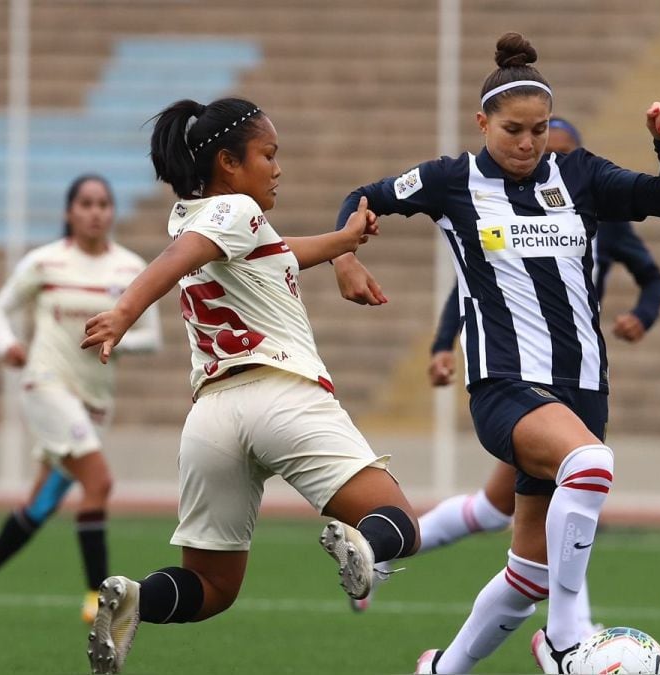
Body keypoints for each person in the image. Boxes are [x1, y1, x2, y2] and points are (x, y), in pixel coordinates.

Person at [331, 33, 660, 674]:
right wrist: (345, 258)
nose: (528, 143)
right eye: (513, 129)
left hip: (583, 386)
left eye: (539, 129)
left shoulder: (579, 175)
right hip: (505, 385)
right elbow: (364, 197)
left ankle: (442, 670)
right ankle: (564, 640)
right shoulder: (451, 181)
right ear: (483, 122)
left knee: (526, 574)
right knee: (591, 464)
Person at [78, 97, 421, 674]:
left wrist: (343, 243)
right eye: (268, 154)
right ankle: (363, 546)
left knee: (211, 586)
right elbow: (177, 258)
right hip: (282, 395)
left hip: (212, 418)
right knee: (398, 525)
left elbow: (278, 255)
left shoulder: (199, 214)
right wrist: (124, 309)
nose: (278, 168)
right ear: (228, 164)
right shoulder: (234, 210)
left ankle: (137, 599)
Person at [354, 116, 660, 621]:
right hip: (521, 377)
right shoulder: (491, 202)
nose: (532, 158)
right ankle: (570, 636)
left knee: (496, 508)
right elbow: (476, 281)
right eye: (522, 142)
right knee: (572, 492)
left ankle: (382, 558)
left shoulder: (602, 216)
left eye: (549, 147)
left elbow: (653, 278)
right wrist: (442, 342)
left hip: (574, 376)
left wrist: (642, 316)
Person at [0, 175, 162, 629]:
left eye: (104, 203)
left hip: (96, 402)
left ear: (112, 212)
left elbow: (154, 338)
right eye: (86, 203)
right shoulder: (45, 262)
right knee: (100, 483)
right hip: (46, 385)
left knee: (44, 502)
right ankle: (96, 594)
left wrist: (119, 337)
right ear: (69, 212)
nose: (95, 212)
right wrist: (6, 343)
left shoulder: (131, 269)